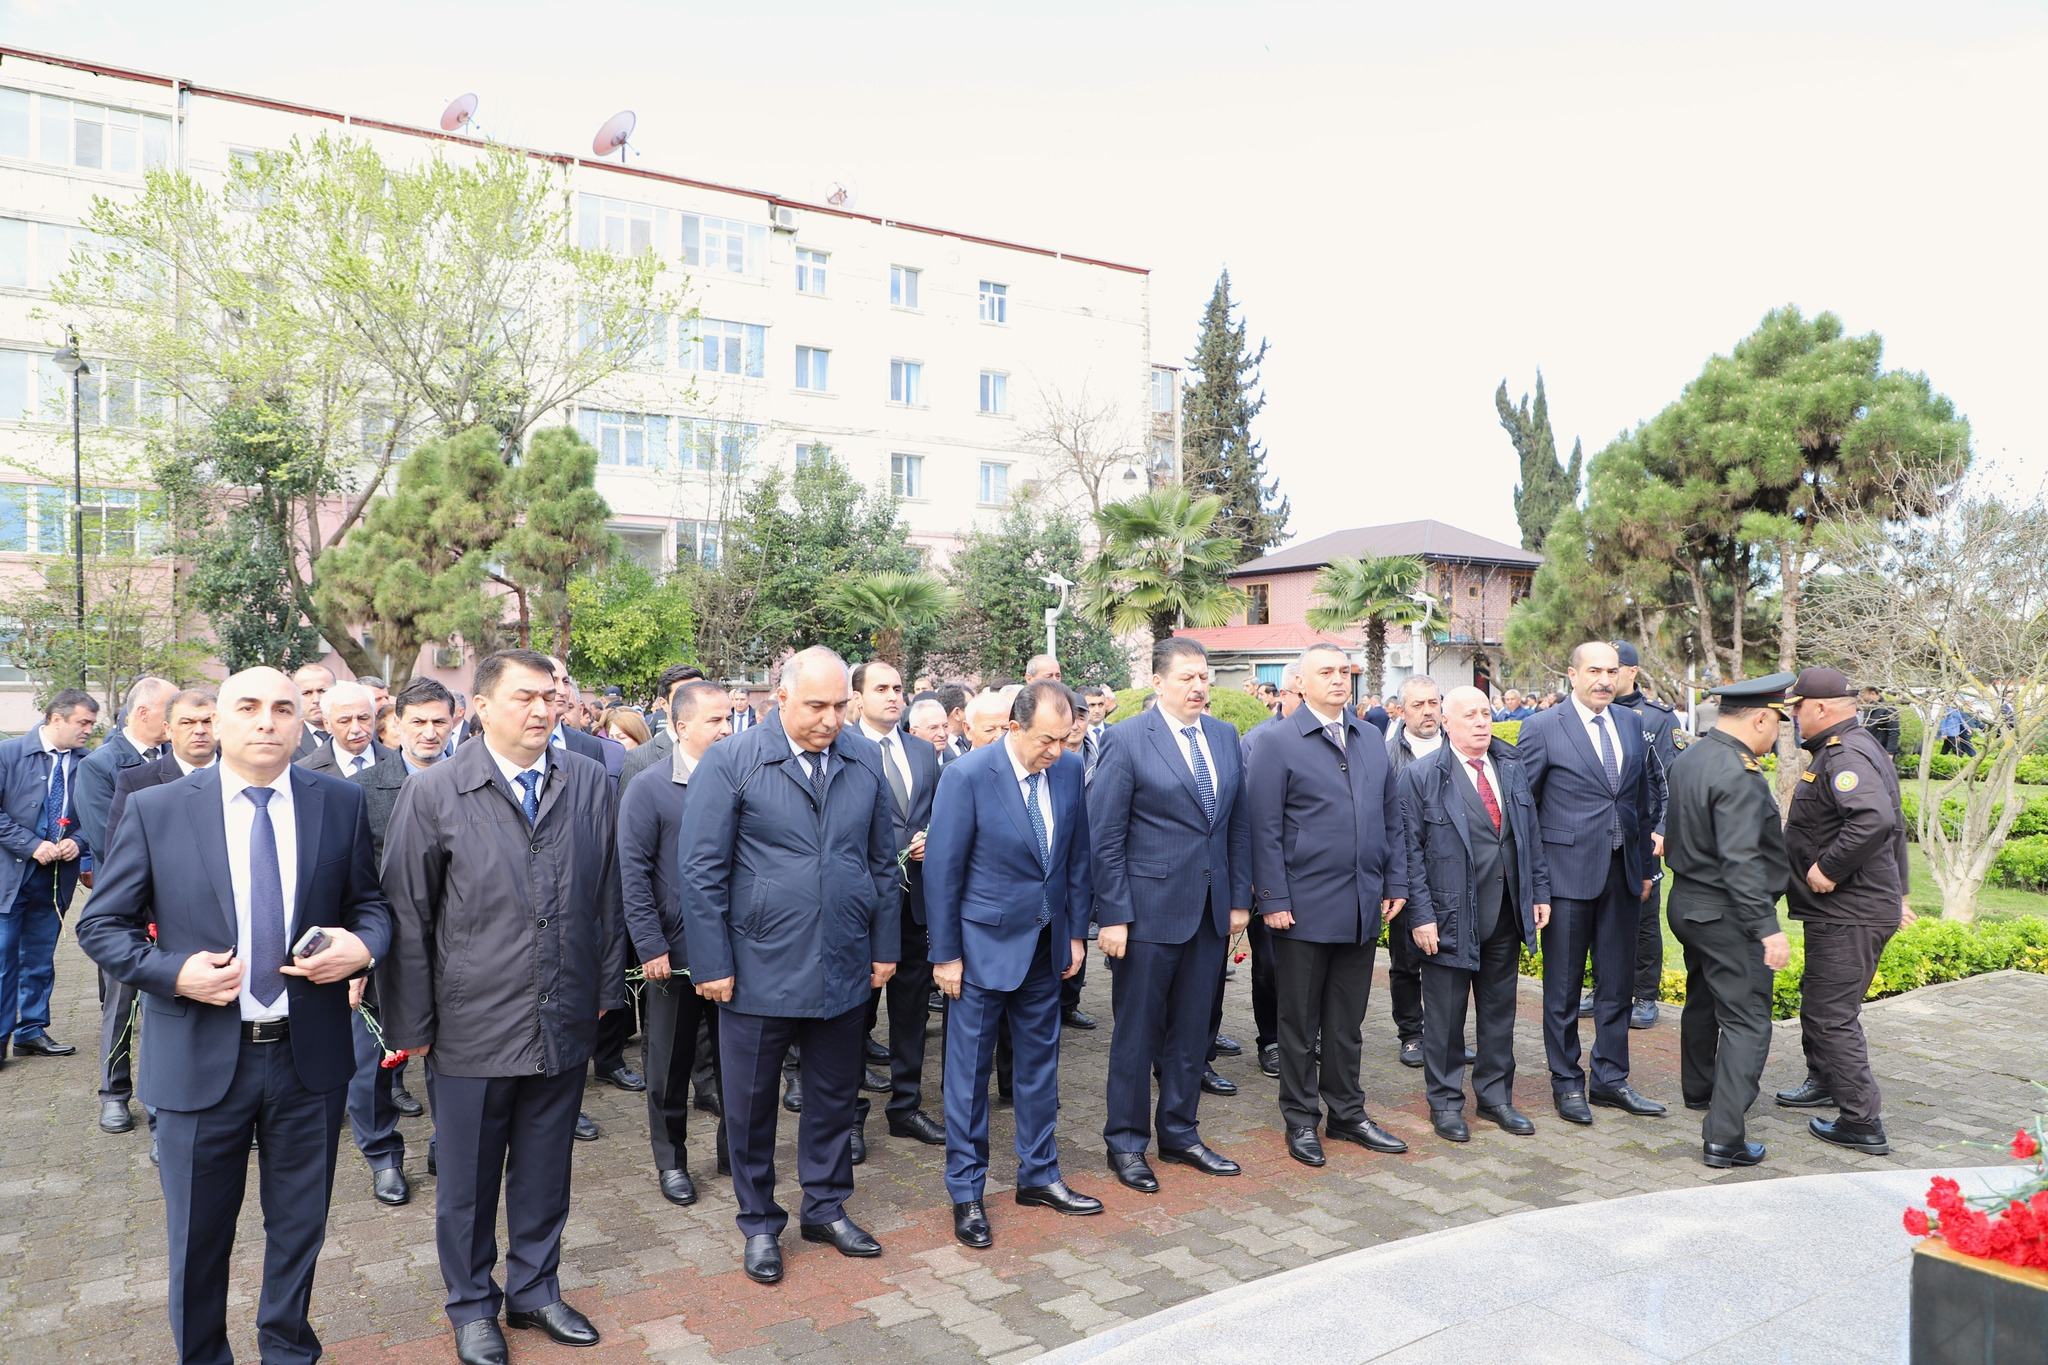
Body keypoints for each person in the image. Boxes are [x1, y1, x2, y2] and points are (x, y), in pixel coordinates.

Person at [76, 667, 390, 1365]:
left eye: (282, 707)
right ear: (216, 720)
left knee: (300, 1228)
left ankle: (286, 1349)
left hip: (307, 1060)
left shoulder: (337, 802)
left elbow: (370, 903)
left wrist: (363, 945)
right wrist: (174, 971)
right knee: (197, 1238)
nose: (267, 720)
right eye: (247, 706)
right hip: (196, 1059)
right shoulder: (159, 809)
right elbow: (102, 926)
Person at [378, 649, 623, 1364]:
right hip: (472, 1025)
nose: (543, 709)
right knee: (469, 1178)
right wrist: (414, 1025)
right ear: (480, 706)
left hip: (563, 1013)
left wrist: (605, 993)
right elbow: (408, 913)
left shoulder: (588, 780)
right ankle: (472, 1303)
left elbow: (604, 895)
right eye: (524, 696)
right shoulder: (437, 792)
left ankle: (535, 1287)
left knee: (547, 1166)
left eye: (550, 695)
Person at [678, 646, 899, 1286]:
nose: (830, 719)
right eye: (816, 706)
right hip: (756, 967)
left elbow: (881, 864)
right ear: (781, 698)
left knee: (833, 1097)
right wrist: (711, 963)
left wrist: (885, 946)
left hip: (844, 963)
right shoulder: (733, 762)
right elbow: (700, 871)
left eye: (839, 706)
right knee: (749, 1108)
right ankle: (758, 1222)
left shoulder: (862, 760)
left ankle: (825, 1207)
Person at [925, 681, 1102, 1246]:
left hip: (1045, 948)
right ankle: (966, 1193)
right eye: (1046, 740)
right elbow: (943, 872)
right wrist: (946, 955)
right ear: (1014, 729)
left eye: (1065, 738)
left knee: (1039, 1070)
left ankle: (1040, 1175)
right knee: (969, 1078)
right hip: (979, 951)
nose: (1055, 750)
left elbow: (1076, 860)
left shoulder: (1069, 771)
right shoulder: (969, 776)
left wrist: (1075, 935)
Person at [1090, 639, 1253, 1192]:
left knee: (1191, 1034)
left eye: (1204, 676)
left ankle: (1180, 1133)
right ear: (1158, 682)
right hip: (1146, 917)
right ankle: (1127, 1143)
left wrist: (1237, 901)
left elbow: (1236, 825)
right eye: (1186, 677)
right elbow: (1105, 836)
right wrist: (1113, 915)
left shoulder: (1226, 737)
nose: (1199, 686)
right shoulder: (1126, 740)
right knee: (1136, 1036)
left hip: (1208, 914)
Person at [1246, 644, 1408, 1167]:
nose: (1339, 680)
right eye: (1327, 672)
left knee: (1345, 1021)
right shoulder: (1277, 742)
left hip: (1361, 904)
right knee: (1299, 1022)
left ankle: (1347, 1113)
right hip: (1303, 908)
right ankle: (1300, 1119)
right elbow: (1263, 828)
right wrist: (1272, 897)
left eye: (1345, 672)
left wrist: (1394, 881)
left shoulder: (1367, 736)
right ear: (1300, 682)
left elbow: (1390, 818)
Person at [1512, 642, 1665, 1126]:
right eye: (1594, 670)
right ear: (1572, 675)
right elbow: (1524, 813)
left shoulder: (1630, 723)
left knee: (1616, 985)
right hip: (1565, 879)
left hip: (1621, 877)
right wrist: (1536, 885)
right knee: (1562, 989)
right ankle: (1566, 1082)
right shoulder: (1540, 727)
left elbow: (1639, 802)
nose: (1603, 679)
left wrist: (1643, 870)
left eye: (1611, 671)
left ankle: (1610, 1079)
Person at [1398, 687, 1550, 1143]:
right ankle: (1444, 1103)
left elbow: (1529, 835)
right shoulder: (1423, 776)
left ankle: (1496, 1097)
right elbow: (1409, 853)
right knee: (1444, 1018)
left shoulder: (1510, 767)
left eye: (1486, 713)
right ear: (1447, 722)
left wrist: (1537, 890)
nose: (1482, 722)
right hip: (1447, 917)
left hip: (1505, 912)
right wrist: (1421, 916)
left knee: (1500, 1011)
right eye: (1470, 715)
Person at [1662, 673, 1796, 1169]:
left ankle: (1701, 1091)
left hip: (1689, 903)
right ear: (1761, 717)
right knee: (1746, 1020)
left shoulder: (1693, 755)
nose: (1776, 734)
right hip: (1727, 910)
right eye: (1777, 724)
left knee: (1702, 998)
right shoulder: (1739, 773)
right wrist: (1767, 927)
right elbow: (1740, 860)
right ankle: (1724, 1136)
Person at [1777, 666, 1912, 1156]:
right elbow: (1893, 822)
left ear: (1818, 707)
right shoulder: (1852, 746)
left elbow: (1874, 820)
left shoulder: (1846, 753)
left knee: (1831, 1014)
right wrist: (1899, 894)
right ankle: (1825, 1081)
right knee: (1820, 1001)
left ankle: (1862, 1120)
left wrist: (1828, 869)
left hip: (1848, 909)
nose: (1792, 716)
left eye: (1796, 707)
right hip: (1850, 908)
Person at [341, 676, 458, 1205]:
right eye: (419, 722)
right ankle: (383, 1157)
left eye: (439, 721)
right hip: (383, 949)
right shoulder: (363, 792)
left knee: (455, 1058)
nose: (430, 732)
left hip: (458, 951)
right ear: (396, 724)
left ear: (454, 720)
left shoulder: (474, 779)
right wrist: (356, 957)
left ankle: (447, 1143)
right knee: (371, 1065)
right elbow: (348, 881)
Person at [618, 680, 733, 1206]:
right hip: (674, 956)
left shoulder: (741, 780)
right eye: (715, 720)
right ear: (680, 726)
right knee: (667, 1063)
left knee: (738, 1061)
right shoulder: (649, 788)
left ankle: (735, 1152)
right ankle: (671, 1161)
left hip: (735, 951)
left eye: (730, 718)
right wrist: (651, 947)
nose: (727, 728)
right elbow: (634, 875)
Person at [101, 689, 220, 1160]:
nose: (200, 730)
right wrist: (153, 925)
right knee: (127, 1010)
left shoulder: (236, 780)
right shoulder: (140, 781)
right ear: (168, 729)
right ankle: (115, 1094)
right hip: (151, 929)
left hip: (215, 934)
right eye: (189, 722)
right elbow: (120, 861)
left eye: (208, 721)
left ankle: (190, 1114)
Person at [847, 659, 945, 1153]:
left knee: (910, 1014)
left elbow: (939, 811)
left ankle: (905, 1107)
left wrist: (935, 838)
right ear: (857, 698)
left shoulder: (924, 753)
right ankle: (848, 1118)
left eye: (898, 687)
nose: (892, 695)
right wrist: (900, 843)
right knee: (853, 1015)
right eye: (881, 688)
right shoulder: (843, 748)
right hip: (861, 905)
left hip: (916, 905)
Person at [76, 676, 176, 1129]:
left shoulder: (177, 760)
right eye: (171, 712)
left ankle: (167, 1096)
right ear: (144, 713)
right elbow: (106, 841)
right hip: (129, 905)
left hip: (179, 904)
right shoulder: (102, 765)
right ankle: (113, 1091)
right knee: (121, 1002)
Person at [0, 687, 99, 1065]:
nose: (89, 729)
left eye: (92, 722)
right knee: (4, 961)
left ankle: (32, 1031)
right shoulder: (8, 754)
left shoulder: (88, 763)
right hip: (10, 876)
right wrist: (30, 844)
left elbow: (97, 816)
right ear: (56, 719)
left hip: (55, 878)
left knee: (40, 958)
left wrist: (79, 840)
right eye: (83, 722)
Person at [1237, 662, 1302, 1080]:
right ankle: (1271, 1040)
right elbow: (1249, 815)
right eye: (1296, 692)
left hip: (1317, 877)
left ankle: (1304, 1037)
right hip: (1269, 874)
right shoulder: (1257, 741)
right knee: (1270, 964)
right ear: (1284, 694)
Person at [1612, 641, 1682, 1030]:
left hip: (1643, 834)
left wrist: (1663, 829)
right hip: (1602, 835)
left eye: (1614, 668)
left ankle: (1644, 995)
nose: (1606, 676)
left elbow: (1675, 779)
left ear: (1632, 671)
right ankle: (1606, 987)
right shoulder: (1593, 712)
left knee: (1642, 919)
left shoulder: (1657, 718)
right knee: (1600, 917)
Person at [1383, 676, 1445, 1069]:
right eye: (1418, 704)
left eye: (1433, 703)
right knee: (1406, 961)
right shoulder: (1386, 754)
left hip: (1453, 874)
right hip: (1406, 873)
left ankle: (1443, 1035)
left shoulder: (1458, 748)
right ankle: (1411, 1035)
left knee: (1448, 962)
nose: (1427, 711)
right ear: (1401, 711)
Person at [620, 665, 705, 798]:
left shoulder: (722, 752)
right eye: (684, 697)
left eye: (700, 696)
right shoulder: (640, 759)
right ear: (664, 704)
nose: (695, 704)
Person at [296, 682, 390, 780]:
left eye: (363, 718)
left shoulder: (399, 763)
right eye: (345, 721)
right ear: (327, 724)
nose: (356, 729)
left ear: (374, 717)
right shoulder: (303, 772)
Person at [290, 664, 336, 759]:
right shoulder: (288, 740)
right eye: (306, 693)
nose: (316, 700)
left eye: (322, 691)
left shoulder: (357, 732)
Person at [1860, 685, 1901, 758]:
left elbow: (1894, 733)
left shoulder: (1888, 709)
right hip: (1868, 750)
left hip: (1882, 752)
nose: (1862, 697)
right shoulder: (1868, 709)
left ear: (1872, 693)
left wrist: (1890, 754)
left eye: (1863, 694)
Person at [938, 683, 976, 759]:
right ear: (956, 713)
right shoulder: (937, 749)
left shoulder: (971, 740)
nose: (975, 714)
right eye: (972, 709)